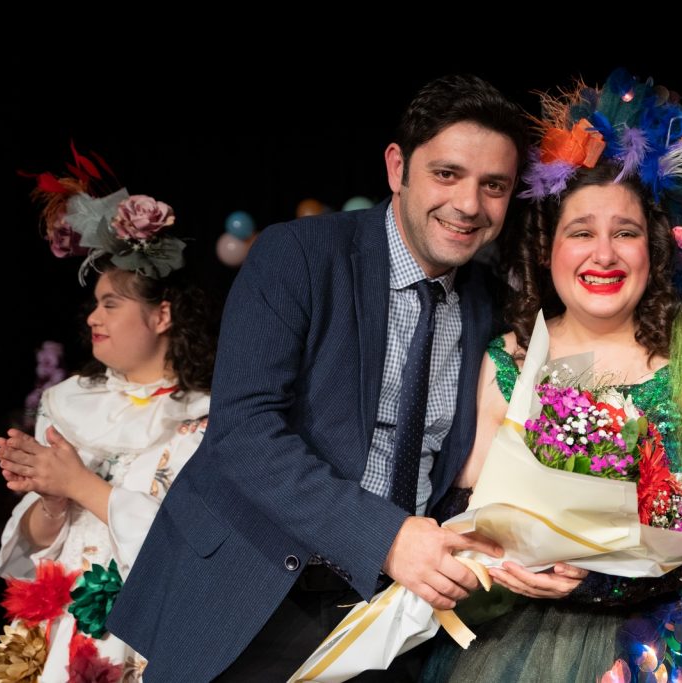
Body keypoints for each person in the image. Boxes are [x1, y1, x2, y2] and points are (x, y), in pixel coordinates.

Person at [421, 69, 682, 682]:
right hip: (525, 636)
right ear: (547, 249)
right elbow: (470, 506)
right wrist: (514, 560)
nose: (604, 254)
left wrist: (601, 577)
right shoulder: (508, 359)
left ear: (653, 248)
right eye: (581, 233)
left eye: (624, 233)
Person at [107, 74, 530, 682]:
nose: (469, 204)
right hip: (254, 590)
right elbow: (244, 432)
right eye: (447, 174)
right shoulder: (298, 255)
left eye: (494, 186)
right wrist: (386, 537)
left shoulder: (487, 303)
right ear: (397, 167)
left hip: (391, 613)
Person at [0, 151, 216, 681]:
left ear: (162, 315)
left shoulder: (206, 417)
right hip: (57, 627)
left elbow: (182, 544)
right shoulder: (68, 401)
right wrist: (51, 498)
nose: (93, 317)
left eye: (111, 304)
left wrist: (77, 482)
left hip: (139, 632)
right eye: (95, 303)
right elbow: (35, 546)